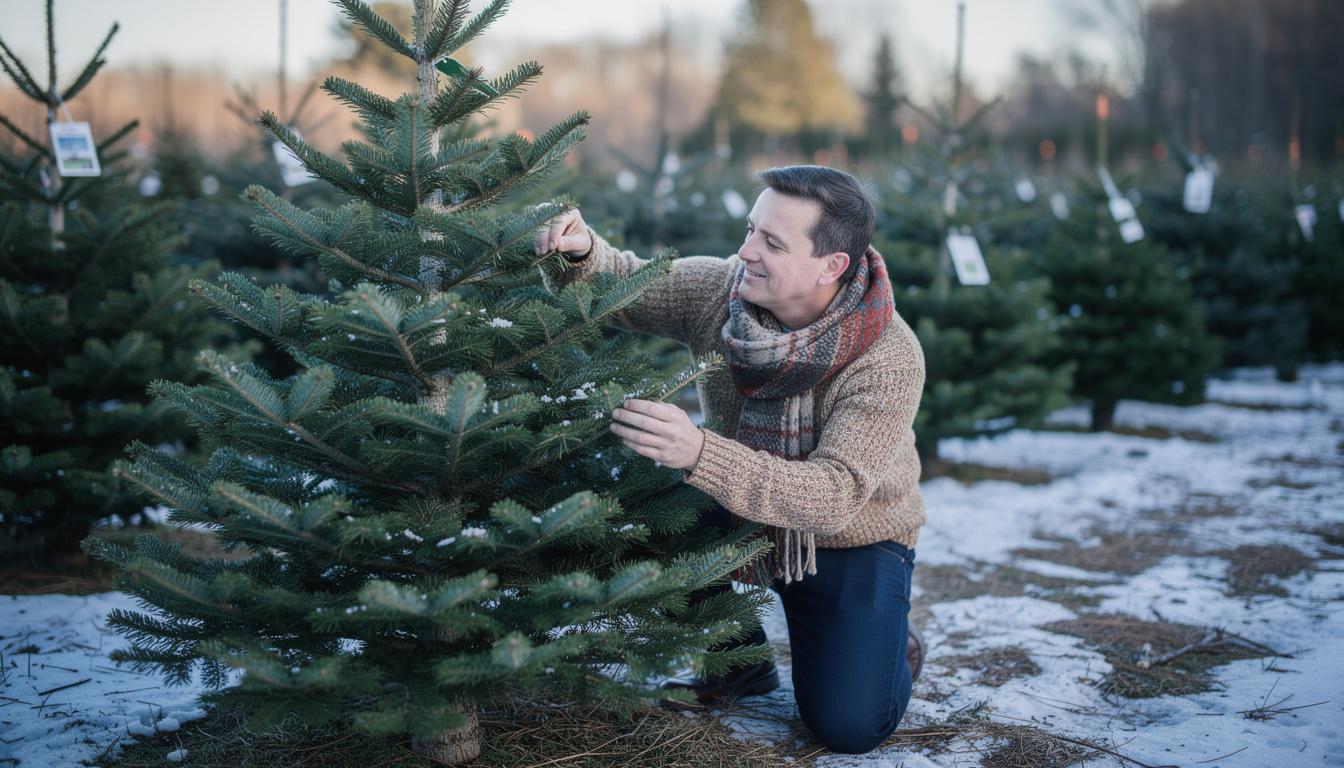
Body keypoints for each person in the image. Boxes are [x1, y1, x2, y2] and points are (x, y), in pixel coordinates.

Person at [535, 165, 927, 755]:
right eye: (751, 230)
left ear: (831, 266)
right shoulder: (723, 290)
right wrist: (581, 251)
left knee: (849, 727)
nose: (746, 252)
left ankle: (890, 643)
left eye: (773, 243)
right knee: (651, 506)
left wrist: (700, 452)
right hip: (738, 511)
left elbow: (834, 495)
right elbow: (624, 281)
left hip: (851, 541)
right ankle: (736, 661)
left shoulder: (889, 356)